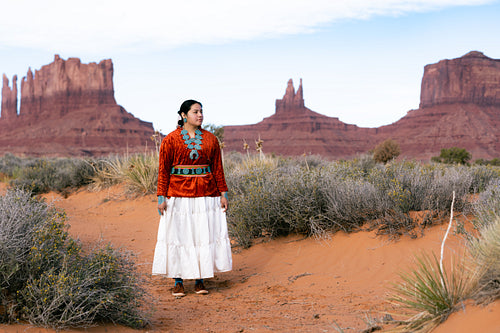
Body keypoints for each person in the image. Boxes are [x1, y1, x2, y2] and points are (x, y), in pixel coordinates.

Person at [152, 99, 232, 297]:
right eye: (195, 111)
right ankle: (178, 281)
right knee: (179, 236)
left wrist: (223, 193)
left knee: (201, 235)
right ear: (183, 115)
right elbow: (163, 171)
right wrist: (161, 196)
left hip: (206, 195)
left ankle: (200, 280)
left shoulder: (211, 139)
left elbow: (218, 169)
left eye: (201, 111)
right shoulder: (170, 140)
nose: (200, 115)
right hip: (178, 195)